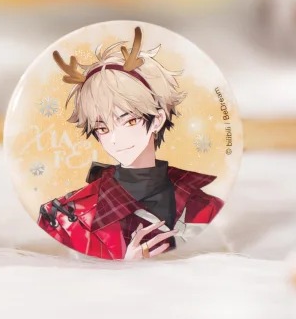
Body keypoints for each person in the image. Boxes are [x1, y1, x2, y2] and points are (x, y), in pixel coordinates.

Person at [37, 26, 223, 260]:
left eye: (130, 121)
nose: (115, 139)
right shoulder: (64, 218)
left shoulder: (206, 206)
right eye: (102, 128)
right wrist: (124, 269)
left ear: (157, 120)